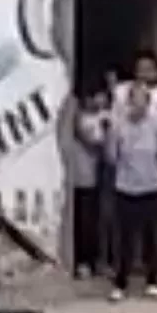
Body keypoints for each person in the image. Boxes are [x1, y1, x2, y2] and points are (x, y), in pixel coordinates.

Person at [107, 82, 157, 302]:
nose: (138, 104)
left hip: (151, 185)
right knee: (125, 239)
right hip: (125, 185)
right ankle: (120, 283)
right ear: (129, 101)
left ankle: (153, 281)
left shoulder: (156, 121)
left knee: (151, 237)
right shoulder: (118, 124)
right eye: (134, 99)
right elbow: (111, 155)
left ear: (148, 103)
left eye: (143, 99)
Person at [68, 87, 109, 279]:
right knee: (84, 221)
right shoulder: (82, 119)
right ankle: (83, 261)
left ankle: (98, 261)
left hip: (98, 178)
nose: (98, 100)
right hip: (81, 178)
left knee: (99, 221)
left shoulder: (103, 116)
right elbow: (91, 140)